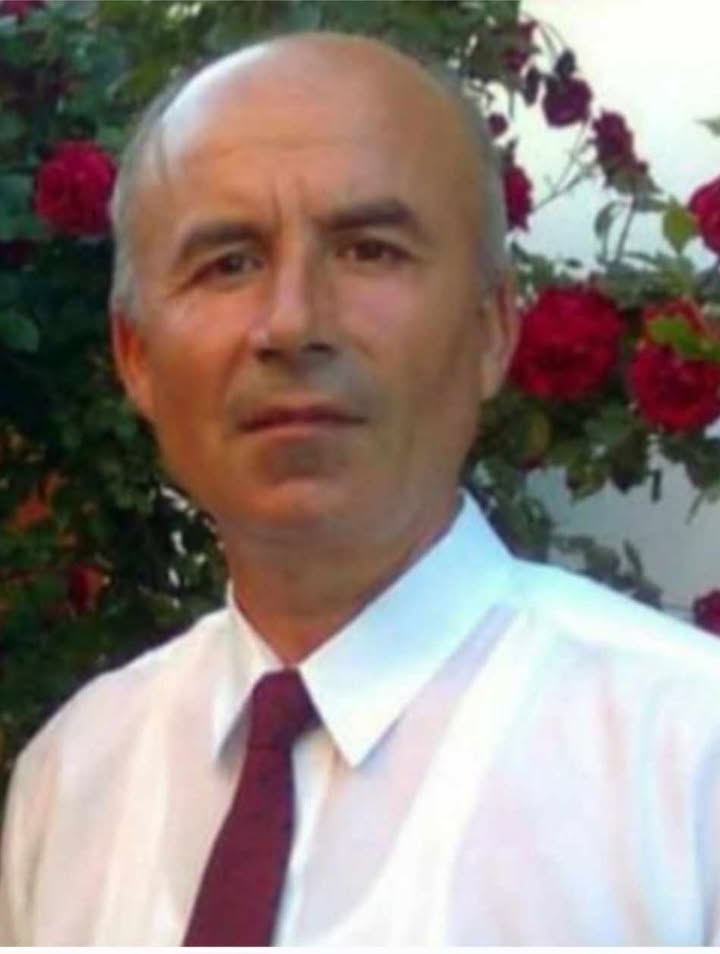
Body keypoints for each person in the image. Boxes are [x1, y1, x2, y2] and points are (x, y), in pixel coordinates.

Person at [3, 30, 720, 947]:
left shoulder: (686, 767)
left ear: (493, 328)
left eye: (369, 250)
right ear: (135, 355)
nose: (292, 322)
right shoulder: (71, 781)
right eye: (228, 263)